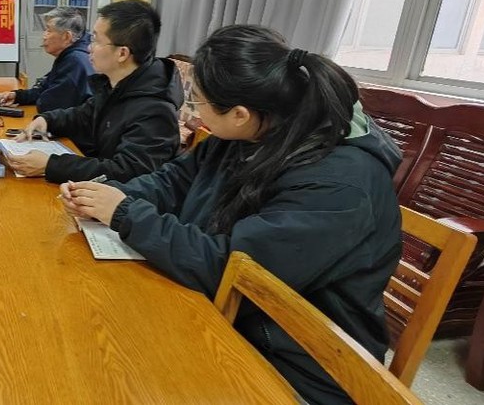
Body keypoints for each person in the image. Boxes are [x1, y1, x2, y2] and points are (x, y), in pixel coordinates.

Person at [60, 25, 403, 404]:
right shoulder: (255, 131)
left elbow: (235, 270)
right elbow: (173, 181)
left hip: (301, 364)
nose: (192, 110)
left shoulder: (339, 185)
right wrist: (108, 196)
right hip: (228, 315)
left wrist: (125, 214)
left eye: (197, 100)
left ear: (239, 113)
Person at [6, 0, 182, 183]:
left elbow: (126, 171)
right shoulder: (116, 84)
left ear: (122, 53)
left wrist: (51, 166)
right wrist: (47, 120)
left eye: (96, 40)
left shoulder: (155, 110)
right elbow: (83, 115)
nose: (89, 47)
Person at [0, 7, 93, 113]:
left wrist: (40, 97)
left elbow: (49, 104)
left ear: (66, 36)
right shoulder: (71, 55)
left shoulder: (75, 61)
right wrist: (19, 96)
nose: (44, 36)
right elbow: (45, 88)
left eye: (49, 30)